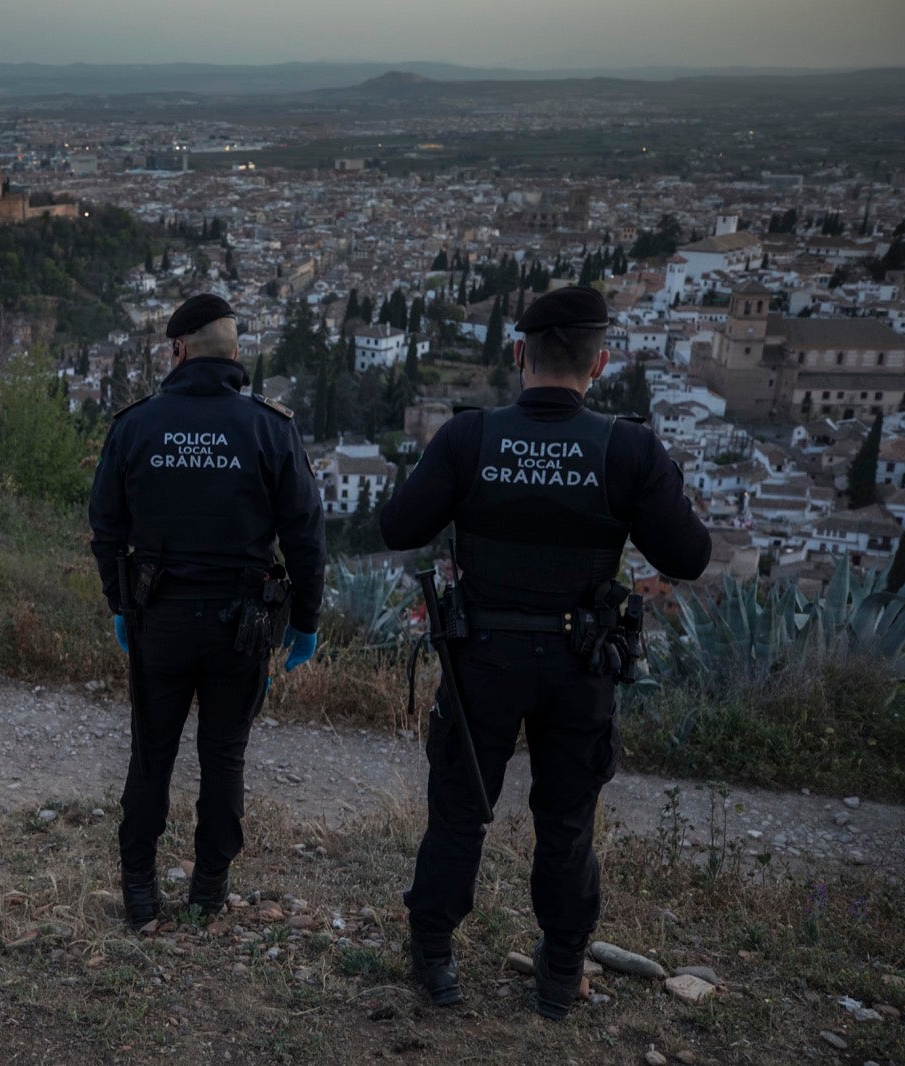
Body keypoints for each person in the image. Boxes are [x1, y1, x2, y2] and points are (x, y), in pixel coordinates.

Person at [380, 285, 709, 1018]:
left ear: (520, 354)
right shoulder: (627, 448)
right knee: (566, 825)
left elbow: (396, 526)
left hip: (482, 663)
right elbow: (687, 554)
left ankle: (434, 959)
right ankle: (559, 976)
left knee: (460, 814)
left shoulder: (470, 437)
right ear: (601, 362)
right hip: (580, 666)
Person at [88, 294, 327, 928]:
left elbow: (105, 527)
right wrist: (305, 619)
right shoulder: (270, 427)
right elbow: (305, 534)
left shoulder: (136, 424)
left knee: (151, 754)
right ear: (237, 353)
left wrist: (121, 605)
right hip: (241, 626)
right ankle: (208, 889)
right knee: (224, 756)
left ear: (177, 350)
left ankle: (140, 890)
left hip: (158, 618)